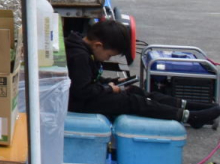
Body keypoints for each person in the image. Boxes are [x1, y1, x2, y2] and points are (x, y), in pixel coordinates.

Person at [67, 19, 220, 127]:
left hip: (85, 97)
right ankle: (190, 117)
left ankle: (191, 106)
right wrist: (108, 89)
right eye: (109, 55)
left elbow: (84, 81)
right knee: (132, 101)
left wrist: (109, 83)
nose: (108, 58)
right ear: (98, 45)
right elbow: (81, 91)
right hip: (78, 104)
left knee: (134, 90)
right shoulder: (80, 56)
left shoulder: (85, 50)